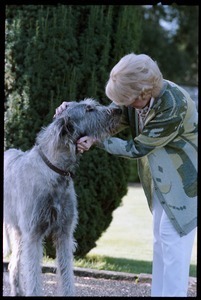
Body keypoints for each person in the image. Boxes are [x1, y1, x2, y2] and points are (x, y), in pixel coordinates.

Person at [55, 53, 197, 297]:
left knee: (172, 241)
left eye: (127, 100)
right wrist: (72, 108)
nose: (124, 106)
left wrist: (96, 142)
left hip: (187, 180)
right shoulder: (137, 97)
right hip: (163, 180)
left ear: (143, 92)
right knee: (160, 241)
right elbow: (111, 118)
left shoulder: (174, 105)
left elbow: (138, 147)